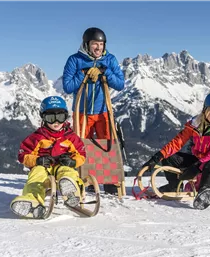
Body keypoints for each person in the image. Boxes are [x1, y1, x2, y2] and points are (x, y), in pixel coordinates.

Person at [142, 92, 210, 210]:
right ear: (205, 109)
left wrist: (196, 167)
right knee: (170, 157)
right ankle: (174, 187)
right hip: (199, 160)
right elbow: (178, 142)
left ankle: (206, 191)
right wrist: (158, 156)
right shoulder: (195, 125)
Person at [62, 27, 125, 194]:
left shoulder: (110, 59)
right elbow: (67, 87)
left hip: (103, 111)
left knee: (107, 143)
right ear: (86, 44)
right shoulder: (74, 60)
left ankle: (110, 180)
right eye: (95, 44)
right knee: (83, 146)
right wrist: (83, 74)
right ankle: (86, 178)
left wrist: (105, 72)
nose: (98, 48)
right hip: (82, 111)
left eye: (101, 44)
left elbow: (120, 84)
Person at [10, 96, 86, 219]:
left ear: (66, 117)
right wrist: (37, 160)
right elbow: (23, 155)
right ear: (43, 117)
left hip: (62, 166)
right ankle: (33, 201)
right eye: (51, 118)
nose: (56, 122)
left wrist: (72, 162)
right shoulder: (37, 137)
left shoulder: (70, 137)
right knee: (37, 176)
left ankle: (71, 191)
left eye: (60, 117)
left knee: (67, 172)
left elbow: (81, 155)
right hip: (44, 167)